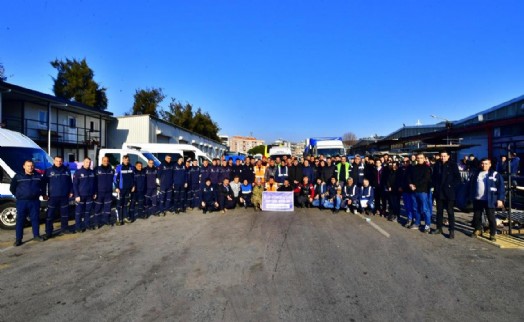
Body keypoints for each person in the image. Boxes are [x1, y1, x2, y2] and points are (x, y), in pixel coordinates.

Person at [11, 160, 46, 246]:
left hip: (34, 201)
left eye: (31, 166)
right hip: (22, 202)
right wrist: (19, 195)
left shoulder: (38, 175)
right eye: (28, 166)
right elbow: (12, 188)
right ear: (24, 166)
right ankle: (18, 239)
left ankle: (36, 236)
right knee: (20, 220)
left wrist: (43, 194)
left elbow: (42, 186)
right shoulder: (18, 176)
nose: (30, 167)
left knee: (35, 219)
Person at [470, 158, 505, 241]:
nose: (484, 165)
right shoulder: (476, 173)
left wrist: (500, 199)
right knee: (477, 216)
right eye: (482, 163)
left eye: (486, 164)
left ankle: (492, 234)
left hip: (490, 199)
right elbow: (471, 185)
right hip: (478, 199)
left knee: (491, 217)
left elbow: (501, 188)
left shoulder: (495, 174)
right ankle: (478, 229)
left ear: (490, 164)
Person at [432, 151, 461, 238]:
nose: (442, 157)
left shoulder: (453, 165)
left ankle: (451, 230)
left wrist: (451, 185)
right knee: (439, 211)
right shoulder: (437, 165)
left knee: (450, 212)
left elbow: (458, 178)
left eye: (444, 156)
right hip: (439, 191)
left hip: (449, 192)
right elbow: (434, 177)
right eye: (441, 156)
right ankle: (439, 228)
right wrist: (435, 185)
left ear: (448, 156)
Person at [44, 155, 73, 236]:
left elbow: (70, 182)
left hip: (64, 196)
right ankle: (49, 231)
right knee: (50, 215)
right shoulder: (48, 171)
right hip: (53, 196)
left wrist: (71, 191)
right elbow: (43, 183)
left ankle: (65, 228)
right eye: (57, 161)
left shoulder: (66, 170)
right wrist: (44, 194)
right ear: (54, 161)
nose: (59, 162)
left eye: (60, 161)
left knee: (65, 214)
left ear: (62, 161)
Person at [407, 153, 432, 233]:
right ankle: (417, 223)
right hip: (413, 191)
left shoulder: (427, 168)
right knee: (415, 208)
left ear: (424, 159)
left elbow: (426, 179)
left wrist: (415, 185)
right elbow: (409, 177)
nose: (419, 159)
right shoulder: (413, 168)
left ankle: (427, 225)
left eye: (421, 158)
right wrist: (410, 184)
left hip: (423, 191)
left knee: (425, 209)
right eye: (418, 158)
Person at [73, 157, 96, 232]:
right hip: (81, 196)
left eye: (89, 162)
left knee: (88, 211)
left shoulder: (92, 172)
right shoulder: (78, 172)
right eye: (86, 162)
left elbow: (94, 184)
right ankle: (78, 227)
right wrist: (76, 195)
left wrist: (94, 193)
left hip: (90, 195)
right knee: (79, 212)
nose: (88, 164)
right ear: (83, 162)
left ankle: (87, 224)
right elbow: (75, 185)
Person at [94, 156, 115, 227]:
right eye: (104, 160)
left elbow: (114, 180)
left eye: (107, 160)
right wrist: (95, 192)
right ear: (102, 161)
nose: (106, 162)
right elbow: (94, 181)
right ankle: (97, 223)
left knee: (108, 208)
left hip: (108, 192)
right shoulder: (97, 169)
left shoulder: (111, 170)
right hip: (99, 192)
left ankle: (107, 220)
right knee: (98, 208)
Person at [114, 155, 135, 225]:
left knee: (126, 204)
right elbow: (114, 178)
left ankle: (125, 218)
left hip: (128, 189)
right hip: (121, 189)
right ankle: (119, 220)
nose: (126, 161)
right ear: (123, 160)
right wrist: (116, 187)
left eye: (128, 160)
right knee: (119, 204)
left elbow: (133, 178)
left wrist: (133, 186)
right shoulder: (119, 167)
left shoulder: (131, 167)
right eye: (125, 160)